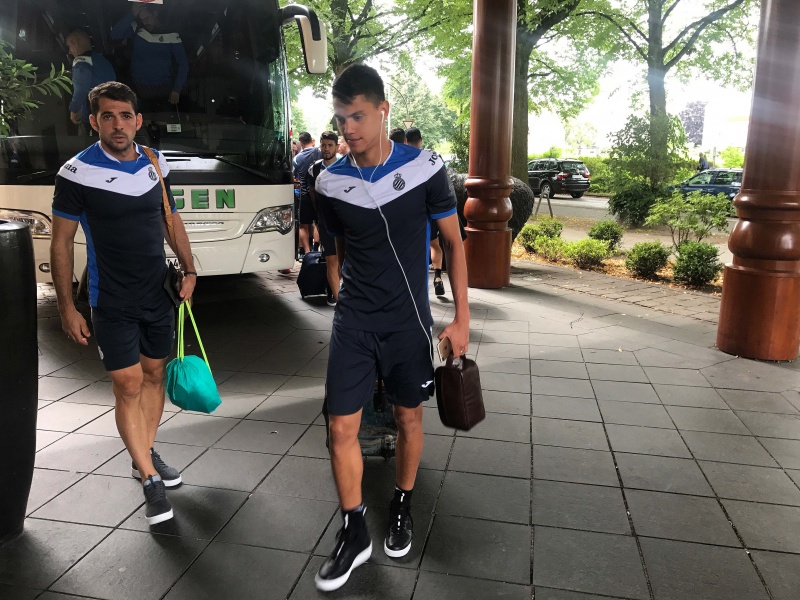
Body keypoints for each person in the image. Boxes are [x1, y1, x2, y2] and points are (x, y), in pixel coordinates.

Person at [313, 64, 469, 592]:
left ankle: (401, 503)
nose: (348, 128)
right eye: (341, 118)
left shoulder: (425, 168)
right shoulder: (329, 181)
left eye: (357, 116)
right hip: (354, 323)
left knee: (408, 419)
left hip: (408, 323)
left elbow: (454, 243)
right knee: (340, 428)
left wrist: (462, 318)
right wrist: (338, 292)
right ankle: (354, 530)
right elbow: (337, 249)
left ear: (383, 111)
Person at [50, 82, 196, 527]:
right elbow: (61, 243)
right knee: (128, 384)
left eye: (126, 115)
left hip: (157, 293)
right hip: (110, 298)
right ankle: (150, 479)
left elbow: (170, 219)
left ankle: (143, 454)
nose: (118, 124)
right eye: (108, 116)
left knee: (154, 375)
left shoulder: (154, 161)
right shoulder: (76, 173)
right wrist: (67, 308)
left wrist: (190, 269)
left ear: (138, 120)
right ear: (93, 121)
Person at [111, 3, 188, 113]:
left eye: (147, 18)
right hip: (138, 91)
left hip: (163, 92)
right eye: (141, 19)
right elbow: (114, 34)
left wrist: (177, 89)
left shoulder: (172, 35)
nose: (144, 22)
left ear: (155, 13)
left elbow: (183, 63)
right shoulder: (137, 28)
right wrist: (131, 14)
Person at [405, 128, 446, 296]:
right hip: (431, 210)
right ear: (420, 140)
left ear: (405, 142)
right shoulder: (431, 158)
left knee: (412, 248)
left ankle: (414, 283)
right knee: (434, 244)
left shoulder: (402, 161)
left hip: (411, 211)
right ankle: (437, 277)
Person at [307, 131, 341, 306]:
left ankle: (337, 290)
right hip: (326, 221)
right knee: (331, 260)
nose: (326, 149)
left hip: (345, 221)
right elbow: (313, 196)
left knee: (343, 261)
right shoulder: (314, 169)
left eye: (330, 145)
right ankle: (339, 300)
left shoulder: (346, 166)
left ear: (337, 146)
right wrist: (318, 219)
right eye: (323, 145)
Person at [65, 30, 116, 129]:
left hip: (92, 114)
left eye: (69, 46)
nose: (69, 51)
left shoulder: (81, 63)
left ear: (76, 42)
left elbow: (81, 90)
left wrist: (74, 109)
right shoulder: (101, 60)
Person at [293, 131, 321, 258]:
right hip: (319, 194)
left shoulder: (297, 158)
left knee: (303, 226)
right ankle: (316, 249)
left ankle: (307, 252)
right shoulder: (320, 152)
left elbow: (294, 176)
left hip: (304, 195)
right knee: (319, 223)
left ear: (301, 143)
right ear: (311, 140)